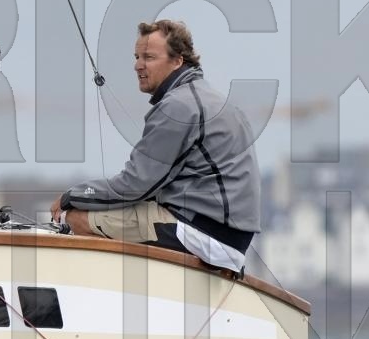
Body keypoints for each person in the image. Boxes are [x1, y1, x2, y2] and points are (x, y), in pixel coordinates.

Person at [50, 18, 259, 273]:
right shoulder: (213, 99)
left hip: (205, 233)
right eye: (136, 57)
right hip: (230, 238)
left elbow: (133, 186)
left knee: (75, 218)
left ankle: (110, 293)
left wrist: (72, 196)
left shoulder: (178, 106)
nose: (138, 65)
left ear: (178, 60)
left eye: (149, 57)